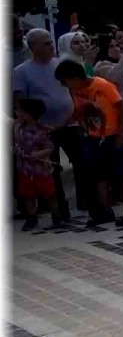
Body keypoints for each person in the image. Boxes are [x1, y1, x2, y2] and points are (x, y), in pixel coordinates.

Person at [13, 28, 90, 222]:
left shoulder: (60, 64)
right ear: (34, 47)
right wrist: (29, 125)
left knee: (82, 162)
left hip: (69, 123)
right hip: (43, 129)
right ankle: (60, 211)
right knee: (52, 169)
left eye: (50, 42)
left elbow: (73, 90)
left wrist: (78, 116)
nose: (51, 46)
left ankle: (87, 202)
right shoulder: (21, 71)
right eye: (46, 43)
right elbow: (20, 100)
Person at [54, 59, 123, 227]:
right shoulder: (75, 91)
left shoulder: (103, 85)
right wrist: (64, 124)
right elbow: (79, 111)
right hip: (93, 137)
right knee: (99, 175)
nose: (64, 85)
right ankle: (105, 210)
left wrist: (121, 132)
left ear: (74, 78)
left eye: (65, 81)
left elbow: (121, 107)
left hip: (113, 134)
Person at [13, 98, 61, 231]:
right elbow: (16, 144)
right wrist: (18, 151)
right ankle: (31, 218)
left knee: (50, 193)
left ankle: (56, 215)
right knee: (28, 194)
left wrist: (38, 155)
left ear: (29, 114)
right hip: (24, 168)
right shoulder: (18, 128)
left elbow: (50, 147)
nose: (17, 112)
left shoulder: (43, 130)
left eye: (20, 111)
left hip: (41, 169)